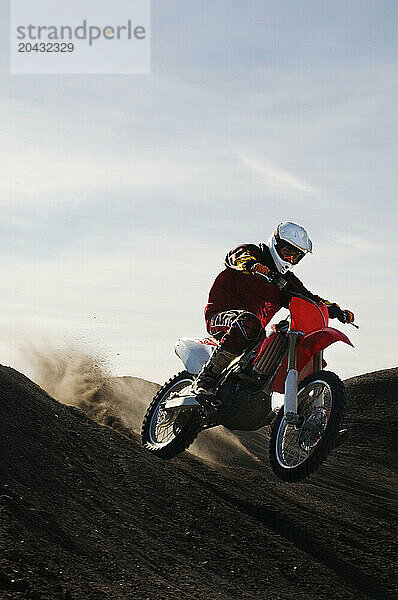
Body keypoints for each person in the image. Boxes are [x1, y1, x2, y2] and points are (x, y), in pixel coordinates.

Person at [192, 221, 355, 403]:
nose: (291, 260)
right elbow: (234, 257)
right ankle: (205, 380)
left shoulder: (285, 281)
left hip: (255, 334)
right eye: (287, 253)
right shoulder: (253, 253)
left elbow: (310, 299)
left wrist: (334, 309)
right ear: (275, 243)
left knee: (277, 340)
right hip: (221, 315)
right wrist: (255, 267)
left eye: (296, 257)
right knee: (248, 323)